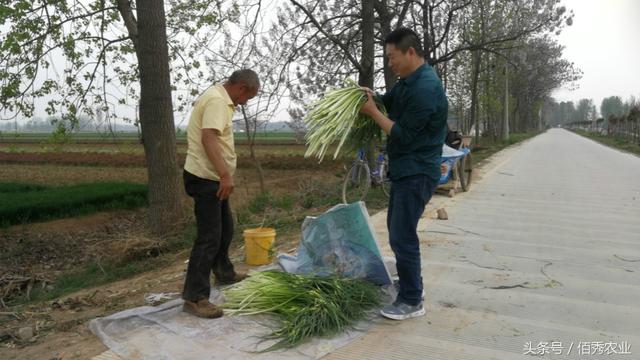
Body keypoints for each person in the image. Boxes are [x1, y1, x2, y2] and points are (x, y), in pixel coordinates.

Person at [359, 28, 448, 320]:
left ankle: (412, 300)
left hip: (418, 171)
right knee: (398, 232)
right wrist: (374, 98)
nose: (390, 63)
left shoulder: (426, 88)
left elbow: (405, 135)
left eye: (392, 57)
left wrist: (373, 113)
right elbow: (390, 102)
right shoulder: (408, 81)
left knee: (402, 234)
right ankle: (412, 286)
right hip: (405, 170)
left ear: (410, 52)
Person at [182, 69, 260, 318]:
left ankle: (224, 272)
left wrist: (223, 174)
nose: (245, 102)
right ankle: (195, 297)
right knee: (209, 238)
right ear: (241, 88)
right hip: (206, 178)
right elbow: (208, 139)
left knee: (225, 228)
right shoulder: (217, 100)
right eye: (248, 96)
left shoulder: (220, 98)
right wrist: (225, 175)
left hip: (213, 177)